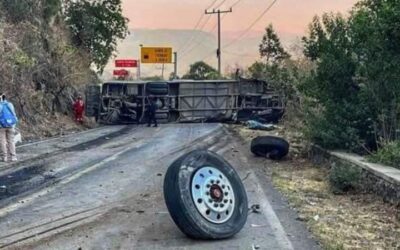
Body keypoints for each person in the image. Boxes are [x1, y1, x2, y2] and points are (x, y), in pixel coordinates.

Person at [0, 94, 18, 162]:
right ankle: (13, 157)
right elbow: (14, 114)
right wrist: (14, 123)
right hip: (11, 125)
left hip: (1, 126)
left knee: (2, 141)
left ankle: (4, 157)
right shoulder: (10, 104)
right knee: (11, 141)